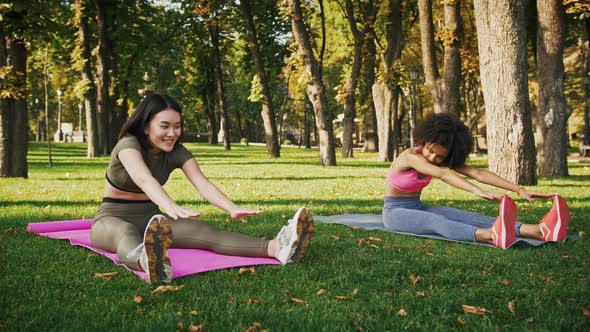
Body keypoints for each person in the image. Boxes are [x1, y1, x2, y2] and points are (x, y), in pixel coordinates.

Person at [91, 93, 314, 283]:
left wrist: (231, 207)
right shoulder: (128, 145)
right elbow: (144, 179)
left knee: (202, 231)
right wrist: (169, 205)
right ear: (146, 125)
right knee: (125, 233)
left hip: (151, 221)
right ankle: (149, 263)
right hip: (111, 219)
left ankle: (277, 248)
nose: (173, 133)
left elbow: (202, 183)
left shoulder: (176, 152)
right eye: (164, 126)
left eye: (177, 126)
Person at [382, 113, 568, 249]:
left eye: (439, 156)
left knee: (469, 217)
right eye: (430, 150)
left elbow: (477, 173)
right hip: (394, 212)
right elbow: (442, 174)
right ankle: (489, 235)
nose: (432, 158)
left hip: (417, 206)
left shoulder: (441, 159)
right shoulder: (409, 156)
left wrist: (518, 189)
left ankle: (539, 230)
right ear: (423, 141)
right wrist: (478, 191)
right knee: (436, 221)